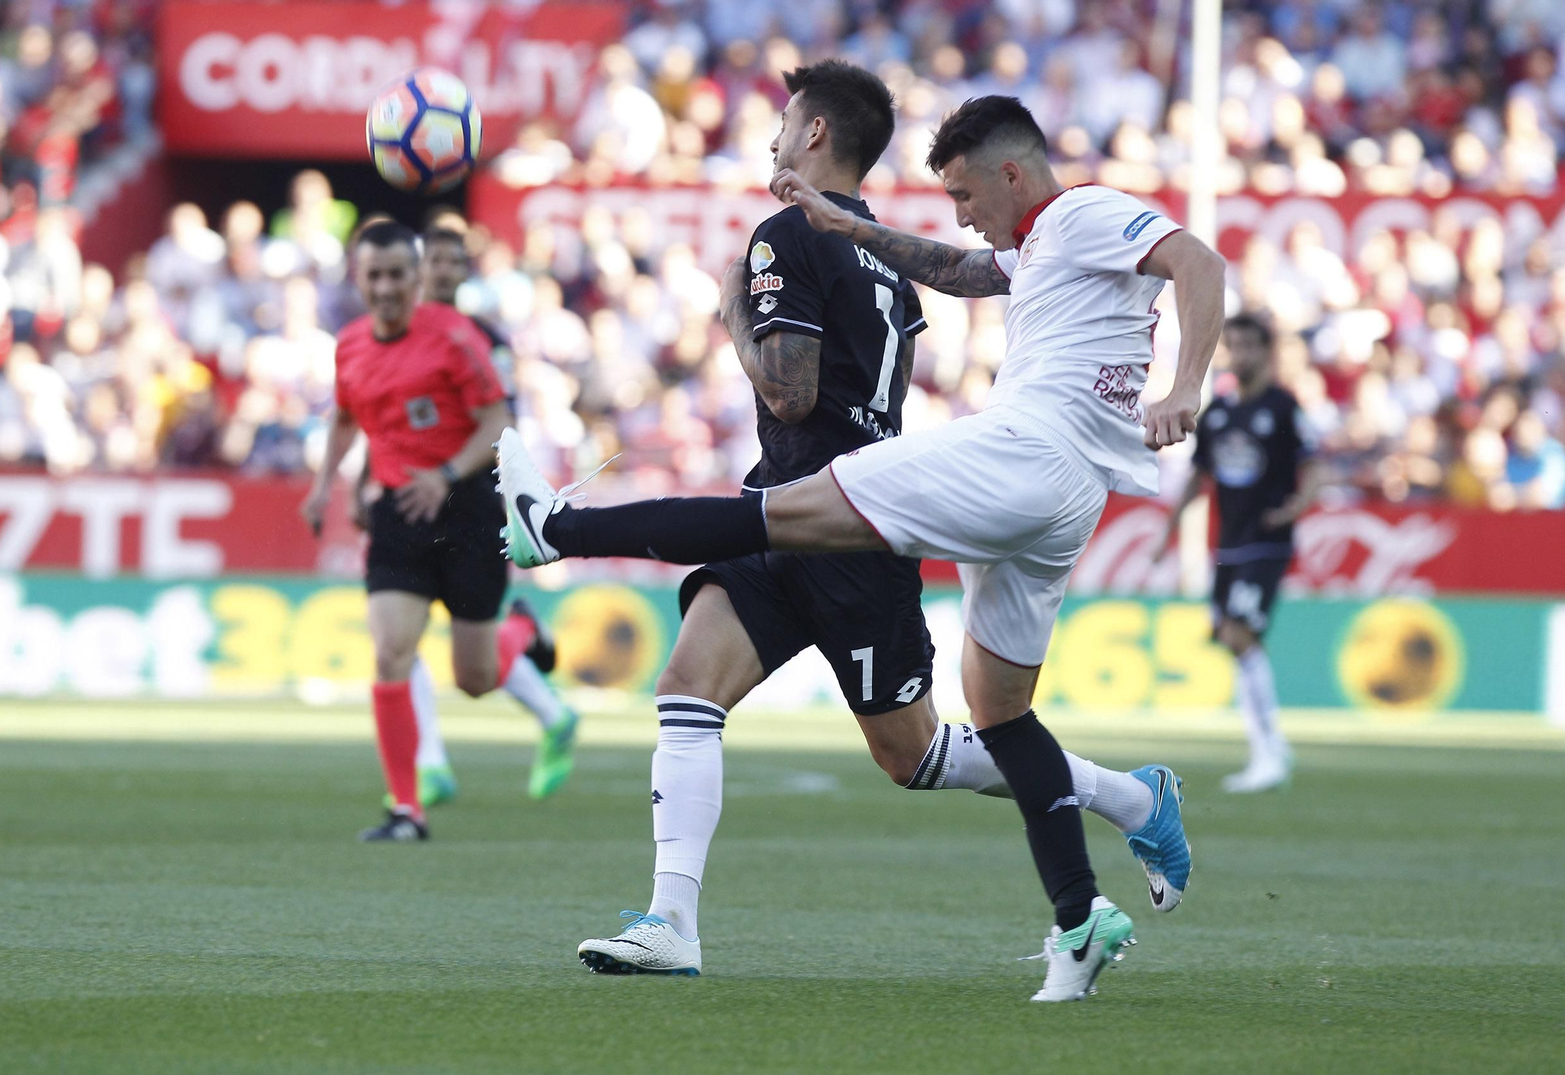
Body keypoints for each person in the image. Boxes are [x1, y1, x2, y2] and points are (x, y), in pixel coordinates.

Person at [499, 95, 1225, 1001]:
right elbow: (959, 269)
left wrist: (1184, 384)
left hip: (1024, 455)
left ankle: (557, 526)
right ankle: (1093, 890)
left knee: (775, 517)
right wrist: (846, 223)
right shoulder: (1033, 247)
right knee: (993, 717)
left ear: (1010, 172)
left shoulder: (1083, 211)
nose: (959, 210)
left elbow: (1196, 259)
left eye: (964, 191)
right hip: (1062, 494)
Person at [301, 219, 577, 842]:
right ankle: (406, 810)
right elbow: (347, 417)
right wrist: (326, 484)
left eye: (399, 274)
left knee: (473, 681)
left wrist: (445, 472)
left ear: (415, 275)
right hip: (400, 514)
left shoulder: (456, 338)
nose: (388, 287)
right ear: (359, 278)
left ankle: (518, 630)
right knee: (390, 652)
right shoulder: (348, 345)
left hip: (468, 509)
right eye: (375, 275)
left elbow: (497, 422)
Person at [1154, 313, 1321, 793]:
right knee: (1233, 638)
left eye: (1250, 346)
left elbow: (1314, 465)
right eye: (1235, 345)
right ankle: (1271, 747)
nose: (1241, 354)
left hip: (1267, 541)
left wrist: (1298, 506)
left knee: (1238, 634)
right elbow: (1198, 476)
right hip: (1228, 542)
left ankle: (1267, 752)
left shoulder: (1284, 408)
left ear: (1267, 352)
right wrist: (1168, 530)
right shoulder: (1221, 411)